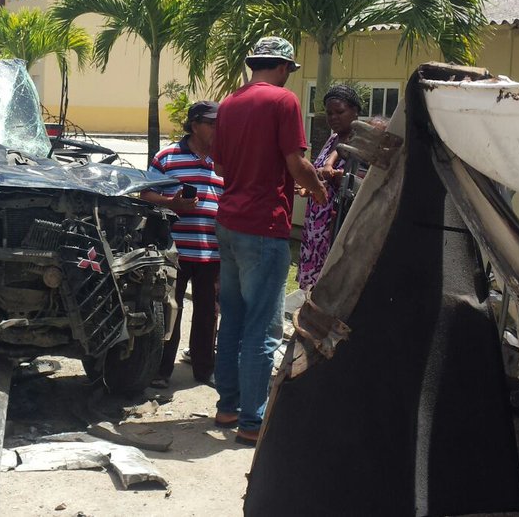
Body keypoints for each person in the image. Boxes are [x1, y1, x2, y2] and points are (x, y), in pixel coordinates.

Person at [210, 36, 328, 445]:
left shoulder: (228, 103)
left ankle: (227, 407)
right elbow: (296, 162)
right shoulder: (282, 101)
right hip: (263, 227)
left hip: (228, 221)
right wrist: (316, 189)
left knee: (234, 320)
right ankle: (252, 421)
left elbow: (223, 164)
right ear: (281, 68)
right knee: (262, 328)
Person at [140, 101, 224, 388]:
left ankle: (204, 370)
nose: (217, 128)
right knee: (168, 310)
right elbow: (145, 195)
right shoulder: (167, 157)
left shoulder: (224, 160)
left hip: (212, 251)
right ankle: (161, 371)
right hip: (174, 251)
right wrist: (171, 203)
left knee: (207, 314)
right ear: (194, 124)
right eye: (212, 123)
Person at [296, 84, 363, 292]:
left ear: (355, 111)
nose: (333, 117)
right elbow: (319, 172)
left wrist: (340, 178)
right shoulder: (333, 139)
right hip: (317, 221)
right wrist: (309, 186)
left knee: (334, 281)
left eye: (340, 112)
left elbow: (370, 179)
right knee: (315, 285)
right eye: (329, 113)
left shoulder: (362, 140)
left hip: (340, 221)